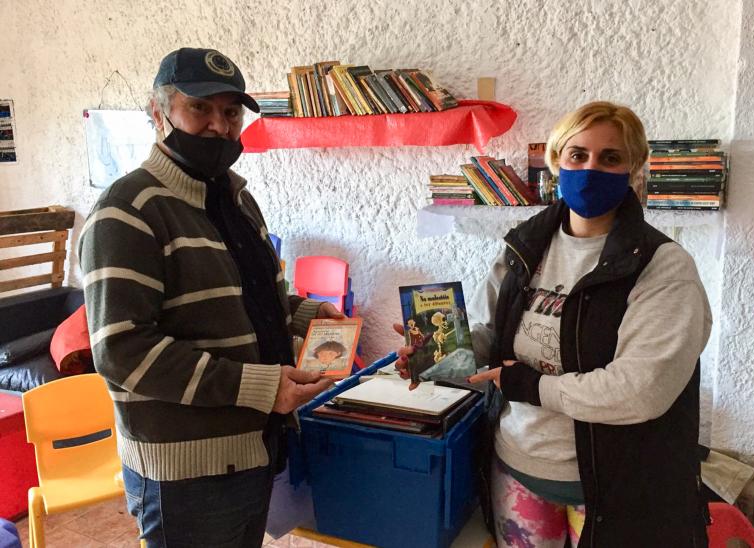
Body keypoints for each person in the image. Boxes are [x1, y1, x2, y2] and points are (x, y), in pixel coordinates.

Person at [395, 101, 712, 547]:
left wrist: (531, 387)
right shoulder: (524, 247)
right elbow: (492, 336)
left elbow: (642, 389)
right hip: (517, 468)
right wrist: (436, 354)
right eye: (578, 155)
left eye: (611, 158)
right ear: (556, 162)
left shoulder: (662, 266)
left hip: (612, 486)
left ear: (634, 169)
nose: (591, 169)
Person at [79, 47, 341, 547]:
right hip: (186, 476)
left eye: (230, 112)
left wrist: (307, 315)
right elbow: (122, 351)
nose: (220, 126)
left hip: (254, 448)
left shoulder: (237, 200)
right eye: (200, 107)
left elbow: (250, 297)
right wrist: (262, 388)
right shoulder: (126, 211)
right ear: (158, 113)